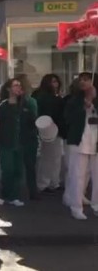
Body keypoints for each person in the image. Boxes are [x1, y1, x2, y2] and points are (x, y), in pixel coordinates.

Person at [0, 78, 36, 207]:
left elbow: (32, 121)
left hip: (20, 142)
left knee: (18, 170)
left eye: (19, 85)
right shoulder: (3, 105)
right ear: (9, 89)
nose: (18, 88)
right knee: (7, 169)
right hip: (6, 142)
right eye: (15, 85)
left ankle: (14, 196)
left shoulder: (25, 105)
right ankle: (5, 195)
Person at [64, 72, 98, 220]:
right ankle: (76, 206)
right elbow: (68, 119)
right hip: (80, 140)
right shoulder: (74, 100)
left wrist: (93, 103)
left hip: (95, 140)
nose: (83, 82)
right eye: (81, 80)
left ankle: (96, 204)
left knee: (96, 176)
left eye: (87, 79)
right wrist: (84, 105)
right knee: (78, 175)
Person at [34, 74, 65, 194]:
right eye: (53, 82)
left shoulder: (46, 97)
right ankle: (46, 183)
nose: (55, 84)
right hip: (50, 128)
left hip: (51, 128)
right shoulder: (48, 98)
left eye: (56, 82)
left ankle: (52, 182)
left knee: (54, 157)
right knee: (49, 157)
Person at [15, 74, 40, 200]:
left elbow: (34, 119)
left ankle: (31, 191)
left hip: (28, 137)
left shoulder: (30, 101)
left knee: (29, 166)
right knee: (21, 166)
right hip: (19, 137)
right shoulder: (10, 101)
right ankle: (23, 191)